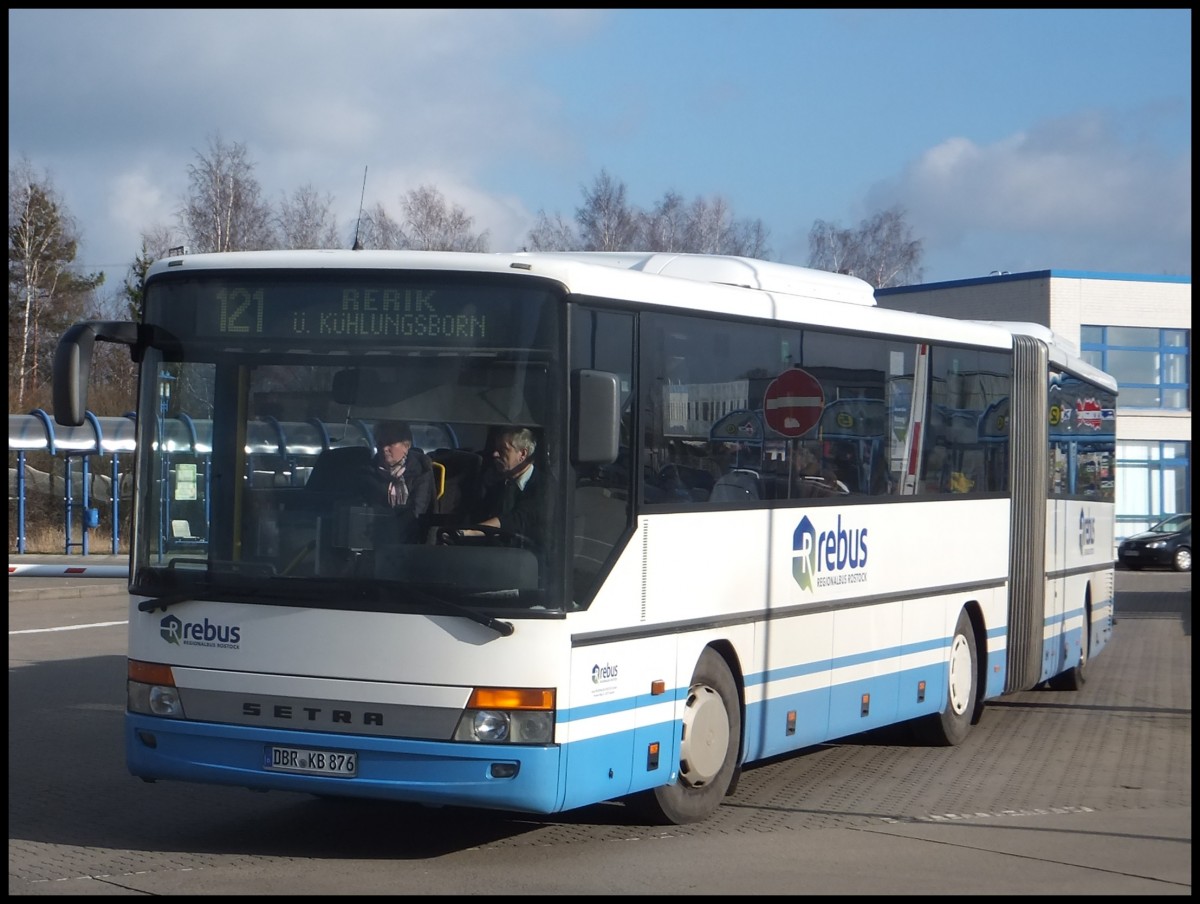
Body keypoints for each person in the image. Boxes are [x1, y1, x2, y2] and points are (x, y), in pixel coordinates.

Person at [461, 426, 544, 544]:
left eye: (502, 450)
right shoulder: (492, 482)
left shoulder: (543, 487)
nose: (495, 454)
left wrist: (468, 532)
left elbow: (516, 520)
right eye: (495, 448)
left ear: (522, 454)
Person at [359, 420, 436, 541]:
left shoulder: (421, 470)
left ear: (407, 445)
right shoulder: (367, 474)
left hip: (414, 541)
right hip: (375, 539)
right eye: (380, 443)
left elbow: (419, 512)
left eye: (390, 443)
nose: (384, 448)